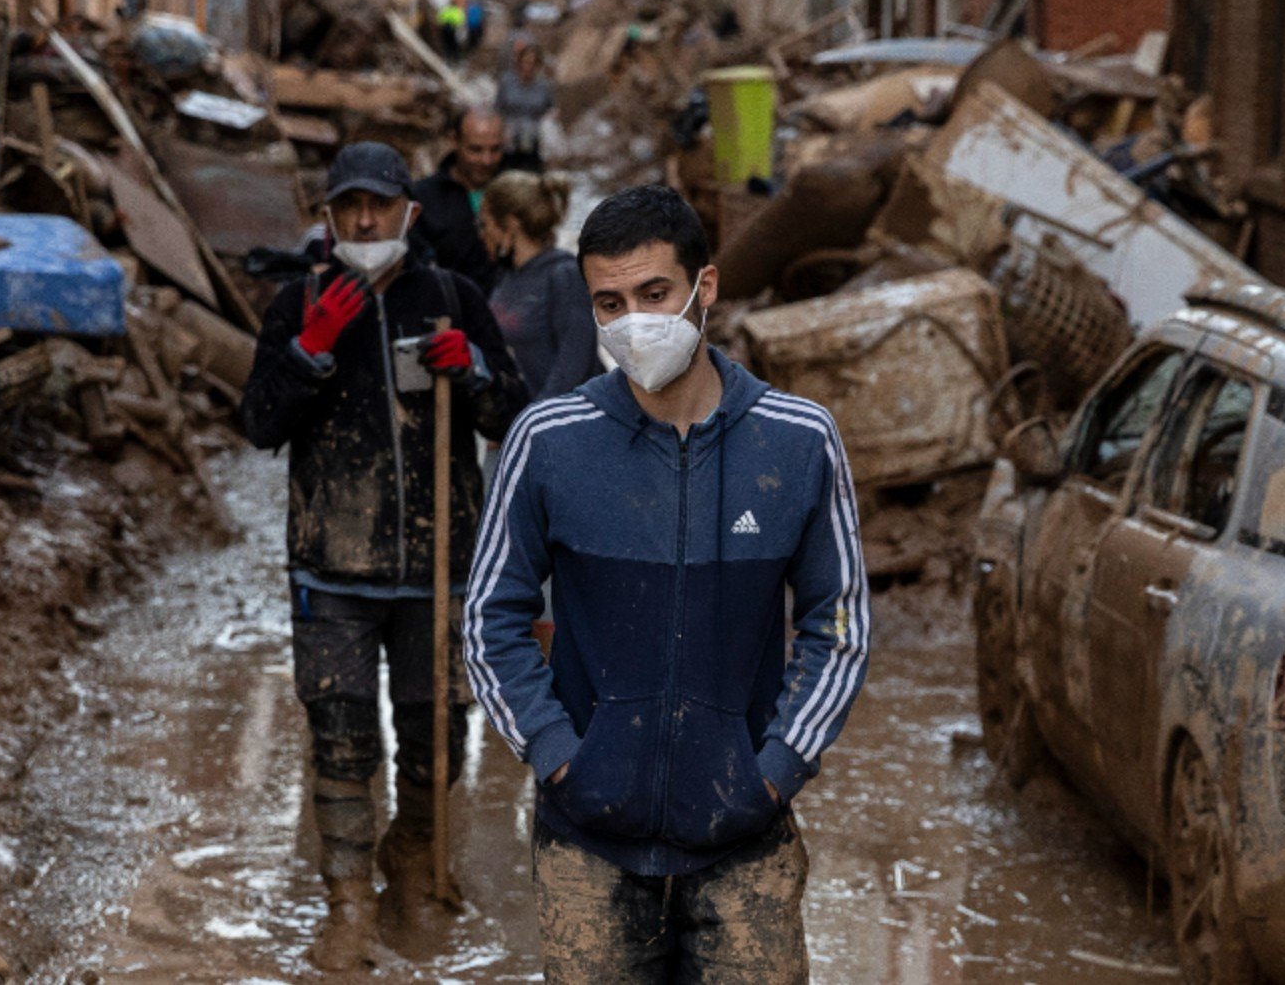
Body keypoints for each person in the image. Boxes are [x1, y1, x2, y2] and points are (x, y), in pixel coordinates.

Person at [465, 185, 870, 982]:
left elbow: (840, 626)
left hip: (745, 844)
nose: (633, 321)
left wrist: (777, 767)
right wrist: (556, 755)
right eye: (608, 303)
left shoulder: (798, 441)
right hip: (588, 847)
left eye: (654, 293)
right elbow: (489, 620)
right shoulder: (549, 441)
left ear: (704, 287)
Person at [240, 141, 529, 971]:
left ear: (409, 210)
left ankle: (411, 855)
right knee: (339, 730)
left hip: (439, 564)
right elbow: (259, 423)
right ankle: (347, 903)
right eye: (348, 206)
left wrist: (471, 370)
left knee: (436, 730)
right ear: (328, 218)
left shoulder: (452, 297)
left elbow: (515, 410)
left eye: (380, 204)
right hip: (332, 563)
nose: (365, 219)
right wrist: (307, 353)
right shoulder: (296, 302)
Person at [479, 170, 601, 401]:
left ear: (510, 224)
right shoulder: (507, 277)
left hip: (561, 423)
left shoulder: (563, 274)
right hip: (520, 423)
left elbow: (574, 367)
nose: (482, 234)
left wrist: (537, 423)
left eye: (485, 224)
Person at [414, 107, 506, 296]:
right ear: (454, 141)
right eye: (476, 150)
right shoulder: (424, 197)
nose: (486, 160)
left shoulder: (515, 192)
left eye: (495, 149)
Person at [496, 43, 554, 170]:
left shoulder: (543, 86)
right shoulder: (507, 82)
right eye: (526, 62)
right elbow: (498, 108)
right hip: (509, 133)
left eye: (533, 63)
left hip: (532, 134)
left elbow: (551, 108)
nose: (528, 67)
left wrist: (549, 118)